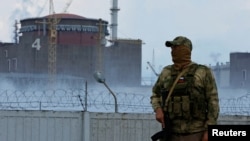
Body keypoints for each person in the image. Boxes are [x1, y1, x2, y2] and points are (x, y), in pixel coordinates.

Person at [150, 36, 220, 141]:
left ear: (186, 49)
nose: (173, 51)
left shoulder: (202, 72)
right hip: (171, 133)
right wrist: (158, 109)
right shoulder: (166, 72)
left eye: (176, 48)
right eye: (172, 48)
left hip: (196, 133)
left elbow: (213, 102)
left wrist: (208, 131)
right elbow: (155, 94)